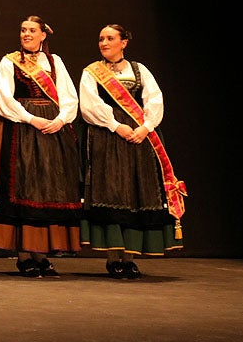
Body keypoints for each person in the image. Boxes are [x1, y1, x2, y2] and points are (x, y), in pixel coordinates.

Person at [79, 24, 185, 279]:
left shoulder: (139, 70)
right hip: (108, 137)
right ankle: (113, 257)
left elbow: (154, 100)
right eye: (101, 38)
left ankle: (130, 257)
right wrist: (116, 126)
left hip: (140, 138)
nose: (104, 43)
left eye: (110, 38)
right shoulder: (92, 72)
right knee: (113, 190)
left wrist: (145, 128)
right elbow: (90, 105)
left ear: (124, 42)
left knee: (137, 191)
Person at [0, 15, 82, 278]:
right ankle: (25, 255)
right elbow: (3, 97)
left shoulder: (55, 62)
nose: (26, 34)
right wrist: (31, 118)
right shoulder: (9, 61)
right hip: (21, 130)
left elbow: (69, 96)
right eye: (22, 30)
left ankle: (42, 254)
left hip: (52, 132)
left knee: (47, 188)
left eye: (31, 30)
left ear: (43, 35)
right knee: (23, 187)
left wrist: (60, 120)